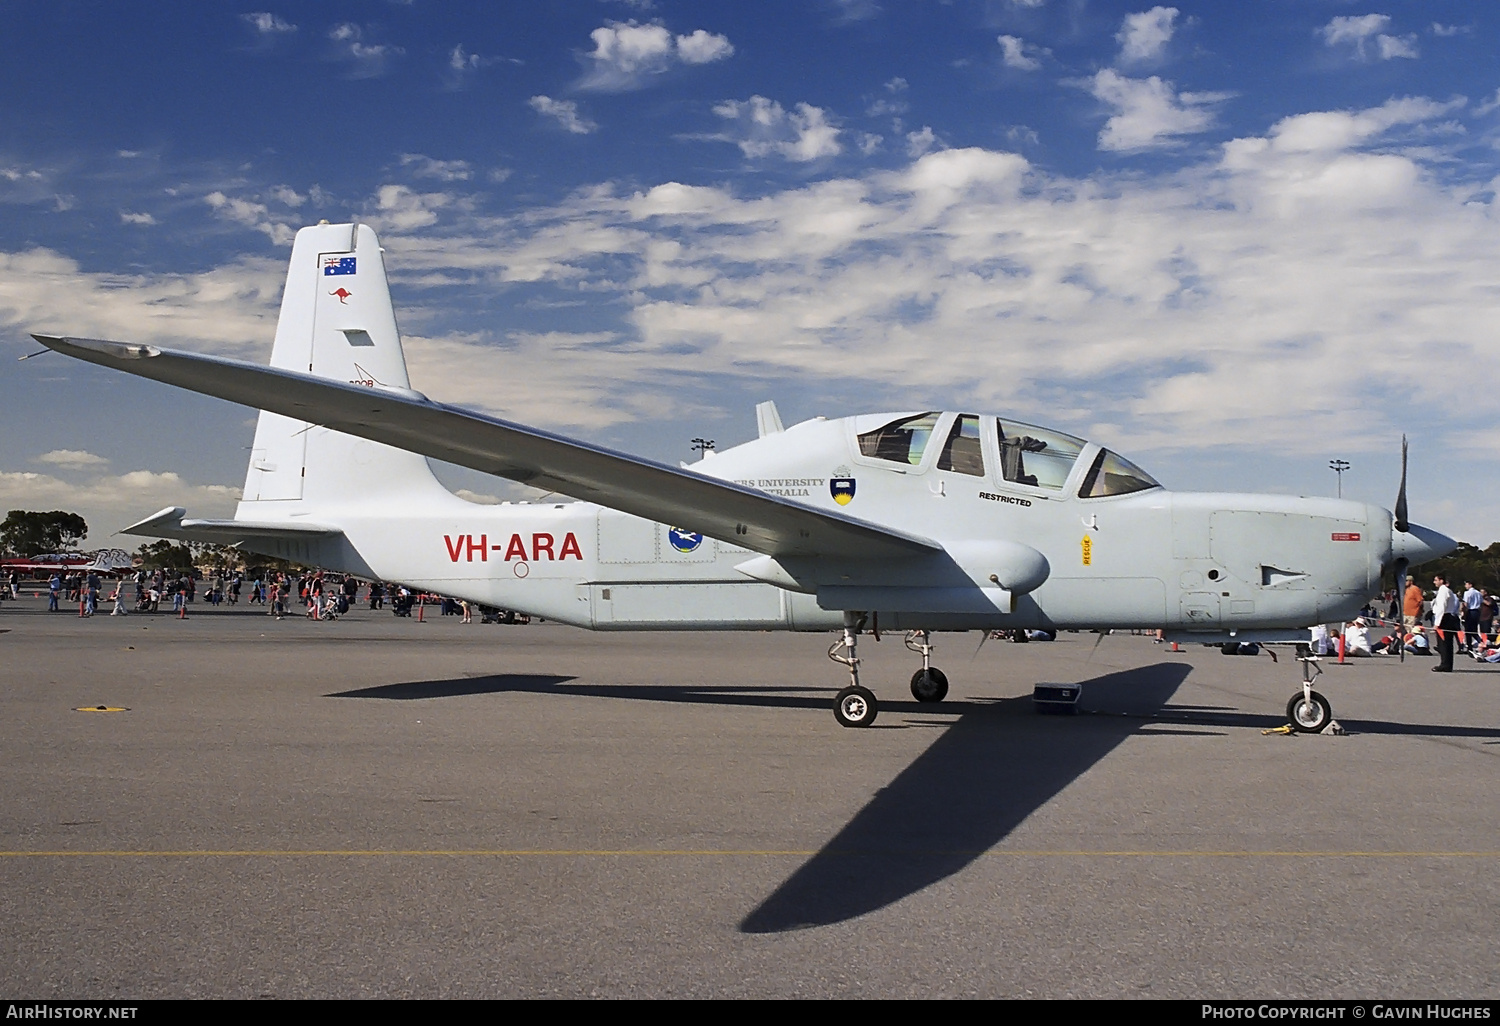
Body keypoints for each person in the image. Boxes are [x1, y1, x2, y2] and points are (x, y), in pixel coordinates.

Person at [1431, 573, 1461, 673]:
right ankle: (1446, 664)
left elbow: (1441, 607)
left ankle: (1445, 664)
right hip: (1448, 617)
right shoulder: (1445, 591)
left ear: (1441, 581)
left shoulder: (1443, 591)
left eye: (1436, 580)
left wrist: (1437, 623)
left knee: (1444, 643)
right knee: (1446, 643)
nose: (1434, 582)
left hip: (1445, 617)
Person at [1461, 581, 1482, 652]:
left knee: (1468, 630)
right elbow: (1481, 602)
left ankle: (1469, 646)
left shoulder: (1467, 593)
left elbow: (1466, 604)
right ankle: (1480, 641)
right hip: (1477, 611)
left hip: (1470, 611)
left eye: (1466, 584)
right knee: (1474, 629)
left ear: (1470, 584)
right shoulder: (1478, 593)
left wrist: (1463, 612)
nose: (1465, 586)